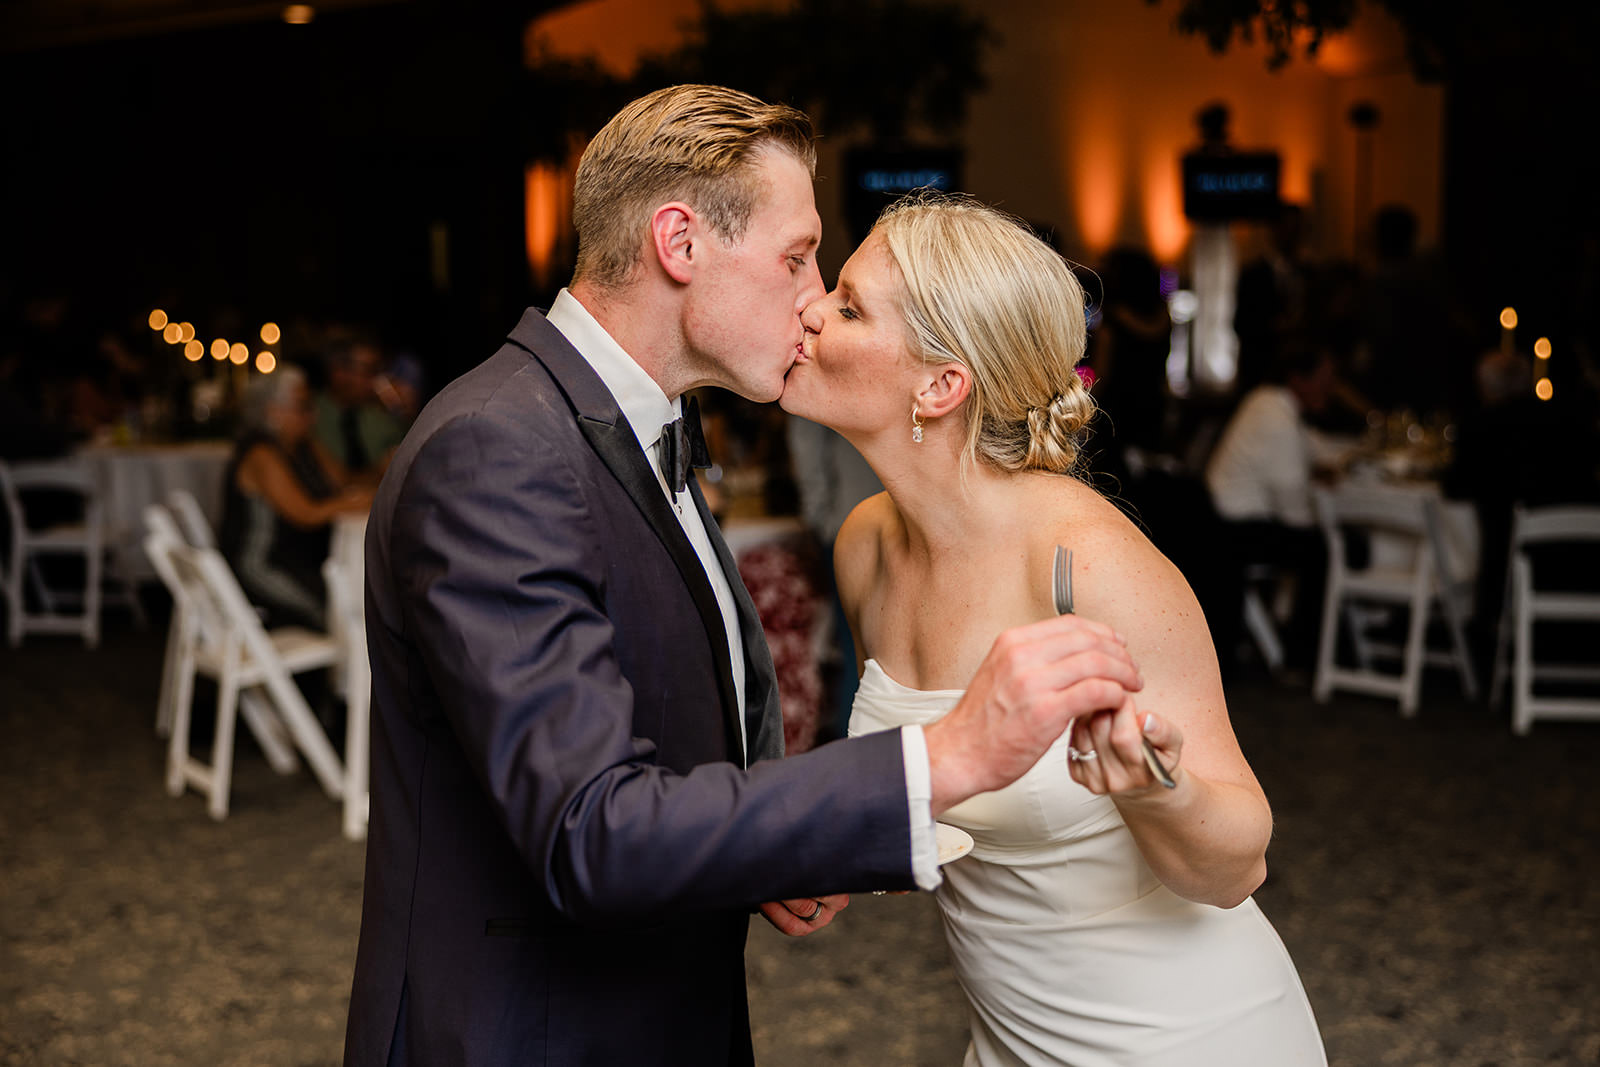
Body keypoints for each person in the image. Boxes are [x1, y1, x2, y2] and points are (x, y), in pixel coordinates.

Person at [343, 86, 1142, 1067]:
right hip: (532, 1028)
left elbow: (663, 719)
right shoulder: (498, 448)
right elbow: (590, 829)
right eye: (796, 256)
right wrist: (943, 758)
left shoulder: (641, 422)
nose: (814, 298)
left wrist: (779, 843)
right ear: (680, 244)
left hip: (651, 1002)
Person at [781, 192, 1326, 1066]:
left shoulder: (1091, 566)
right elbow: (955, 792)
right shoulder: (869, 549)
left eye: (848, 305)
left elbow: (1239, 866)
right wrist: (841, 847)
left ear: (941, 383)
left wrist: (1155, 788)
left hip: (1188, 1038)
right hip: (1012, 1041)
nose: (807, 309)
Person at [1204, 337, 1351, 673]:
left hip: (1226, 520)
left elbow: (1312, 448)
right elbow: (1293, 508)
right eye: (1325, 379)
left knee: (1321, 543)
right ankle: (1304, 657)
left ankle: (1306, 646)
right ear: (1299, 379)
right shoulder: (1276, 415)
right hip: (1233, 528)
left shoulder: (1270, 402)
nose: (1331, 387)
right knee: (1322, 548)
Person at [219, 365, 373, 631]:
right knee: (340, 606)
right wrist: (355, 502)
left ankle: (349, 666)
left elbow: (343, 480)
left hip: (304, 558)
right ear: (273, 412)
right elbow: (305, 513)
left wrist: (385, 470)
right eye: (303, 406)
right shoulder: (261, 454)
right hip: (263, 567)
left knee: (358, 591)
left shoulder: (303, 445)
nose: (312, 415)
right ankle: (348, 669)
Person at [310, 332, 407, 483]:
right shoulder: (308, 417)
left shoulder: (376, 414)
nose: (377, 381)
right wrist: (377, 473)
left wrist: (404, 412)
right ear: (339, 373)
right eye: (370, 370)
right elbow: (336, 483)